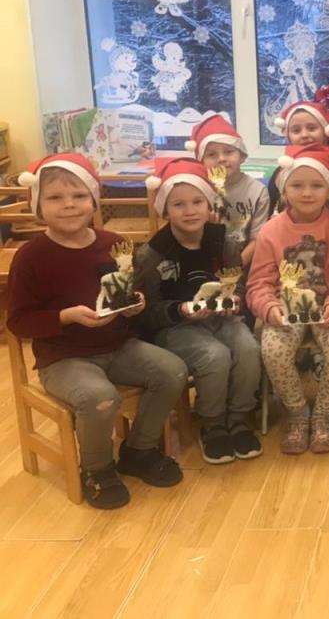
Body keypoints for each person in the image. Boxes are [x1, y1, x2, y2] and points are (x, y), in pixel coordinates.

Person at [7, 153, 186, 509]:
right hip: (63, 358)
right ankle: (97, 469)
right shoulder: (31, 256)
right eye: (55, 197)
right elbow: (18, 320)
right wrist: (65, 317)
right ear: (37, 205)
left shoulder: (113, 244)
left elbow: (132, 290)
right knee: (98, 397)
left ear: (93, 200)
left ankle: (139, 449)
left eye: (79, 195)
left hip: (117, 345)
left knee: (173, 370)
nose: (69, 205)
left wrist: (136, 304)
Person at [135, 158, 262, 464]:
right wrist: (179, 310)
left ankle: (239, 417)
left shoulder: (223, 242)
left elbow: (238, 282)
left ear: (209, 205)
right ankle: (213, 423)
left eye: (197, 202)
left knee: (248, 347)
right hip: (176, 327)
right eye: (178, 204)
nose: (189, 211)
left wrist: (234, 301)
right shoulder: (152, 254)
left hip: (221, 318)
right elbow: (146, 310)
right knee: (214, 355)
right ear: (165, 210)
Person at [246, 144, 329, 454]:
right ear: (284, 189)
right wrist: (269, 308)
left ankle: (323, 412)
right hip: (285, 308)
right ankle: (297, 412)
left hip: (328, 306)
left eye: (316, 185)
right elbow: (258, 283)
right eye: (297, 185)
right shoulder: (271, 231)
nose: (307, 193)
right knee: (273, 348)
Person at [187, 115, 269, 267]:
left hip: (244, 265)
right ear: (201, 161)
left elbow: (257, 239)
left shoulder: (258, 191)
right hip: (204, 263)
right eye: (211, 154)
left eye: (228, 151)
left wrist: (236, 268)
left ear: (242, 156)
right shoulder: (197, 191)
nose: (221, 159)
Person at [266, 100, 329, 212]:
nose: (304, 135)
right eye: (296, 130)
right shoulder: (282, 170)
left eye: (312, 128)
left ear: (325, 131)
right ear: (288, 136)